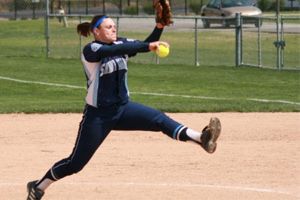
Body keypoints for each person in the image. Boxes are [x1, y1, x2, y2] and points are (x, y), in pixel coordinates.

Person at [26, 15, 221, 200]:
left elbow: (143, 45)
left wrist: (159, 28)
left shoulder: (120, 44)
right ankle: (38, 186)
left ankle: (201, 138)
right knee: (75, 163)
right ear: (97, 31)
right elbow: (111, 51)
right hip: (98, 116)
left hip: (123, 109)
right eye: (108, 27)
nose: (113, 29)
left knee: (161, 120)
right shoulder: (91, 49)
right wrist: (146, 45)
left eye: (114, 26)